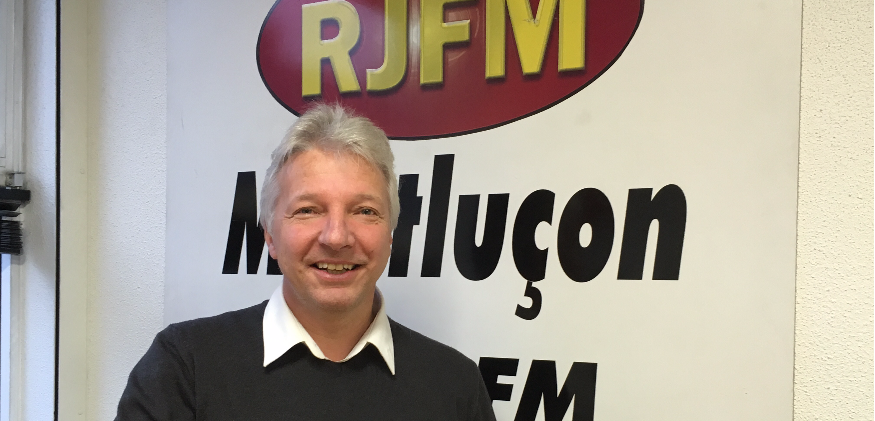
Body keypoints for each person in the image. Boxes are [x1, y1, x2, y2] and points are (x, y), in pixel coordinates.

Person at [115, 104, 497, 420]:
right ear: (270, 236)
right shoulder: (185, 369)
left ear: (390, 236)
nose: (336, 237)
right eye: (308, 210)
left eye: (365, 211)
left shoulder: (456, 387)